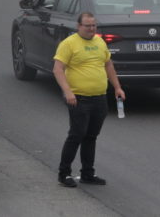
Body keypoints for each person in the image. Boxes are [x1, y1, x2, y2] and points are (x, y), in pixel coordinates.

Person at [53, 12, 125, 188]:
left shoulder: (99, 42)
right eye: (88, 25)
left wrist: (117, 87)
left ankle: (87, 173)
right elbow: (58, 69)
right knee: (76, 135)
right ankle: (64, 174)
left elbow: (108, 64)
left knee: (91, 136)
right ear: (79, 26)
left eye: (94, 25)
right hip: (79, 99)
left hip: (99, 98)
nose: (91, 28)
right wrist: (68, 92)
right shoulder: (69, 44)